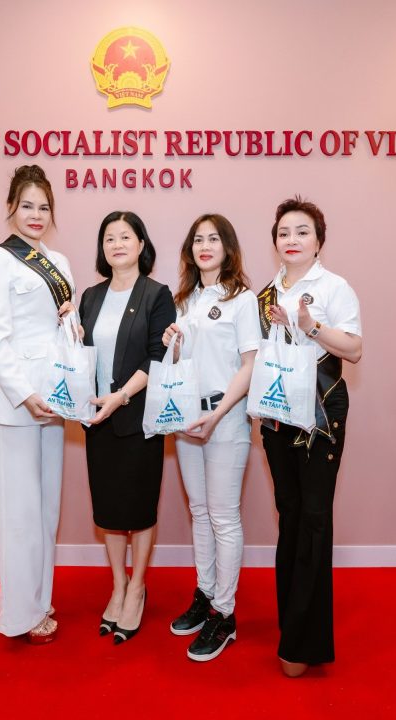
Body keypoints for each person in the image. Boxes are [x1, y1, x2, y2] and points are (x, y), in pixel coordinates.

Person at [258, 196, 362, 677]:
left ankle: (305, 642)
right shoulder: (266, 293)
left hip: (320, 413)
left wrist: (311, 325)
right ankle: (290, 626)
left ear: (319, 241)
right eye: (284, 233)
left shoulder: (335, 287)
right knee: (290, 515)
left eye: (302, 232)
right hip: (277, 413)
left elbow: (354, 350)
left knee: (315, 518)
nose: (292, 240)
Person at [0, 165, 76, 644]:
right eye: (27, 206)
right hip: (19, 402)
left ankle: (39, 597)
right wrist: (24, 393)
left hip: (54, 398)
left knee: (46, 506)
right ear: (11, 208)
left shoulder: (60, 262)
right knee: (19, 510)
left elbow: (66, 333)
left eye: (44, 207)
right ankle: (19, 614)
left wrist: (71, 321)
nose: (36, 215)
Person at [161, 214, 260, 662]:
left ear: (227, 247)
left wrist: (218, 415)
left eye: (213, 239)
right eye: (198, 239)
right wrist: (174, 345)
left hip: (226, 416)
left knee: (223, 517)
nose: (205, 246)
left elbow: (249, 364)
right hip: (187, 416)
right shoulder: (184, 300)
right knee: (199, 512)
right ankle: (204, 593)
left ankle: (225, 612)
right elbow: (182, 364)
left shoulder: (242, 299)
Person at [79, 211, 176, 645]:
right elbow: (80, 353)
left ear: (141, 245)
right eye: (109, 238)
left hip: (137, 419)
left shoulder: (157, 294)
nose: (117, 244)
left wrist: (119, 397)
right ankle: (118, 584)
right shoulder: (91, 296)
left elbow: (157, 358)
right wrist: (67, 322)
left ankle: (138, 587)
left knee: (138, 510)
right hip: (97, 419)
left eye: (125, 237)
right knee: (110, 513)